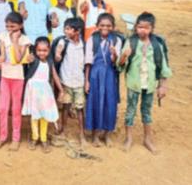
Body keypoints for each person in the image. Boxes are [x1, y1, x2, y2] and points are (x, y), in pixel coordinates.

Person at [118, 12, 172, 154]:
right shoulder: (130, 42)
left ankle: (147, 139)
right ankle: (128, 138)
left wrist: (163, 85)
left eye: (146, 28)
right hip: (133, 83)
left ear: (152, 28)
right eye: (140, 27)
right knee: (130, 111)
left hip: (149, 85)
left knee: (147, 112)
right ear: (135, 27)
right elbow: (120, 65)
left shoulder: (157, 45)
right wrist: (124, 55)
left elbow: (163, 67)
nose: (142, 30)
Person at [0, 12, 31, 151]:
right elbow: (2, 55)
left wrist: (15, 40)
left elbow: (20, 59)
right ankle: (2, 137)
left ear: (20, 25)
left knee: (15, 108)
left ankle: (16, 138)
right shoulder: (3, 36)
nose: (9, 28)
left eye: (13, 26)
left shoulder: (25, 39)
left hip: (18, 78)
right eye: (7, 26)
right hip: (5, 76)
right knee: (2, 108)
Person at [84, 13, 121, 147]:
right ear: (97, 26)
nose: (105, 28)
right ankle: (95, 135)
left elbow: (115, 63)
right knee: (95, 103)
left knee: (110, 104)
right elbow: (88, 61)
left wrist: (114, 54)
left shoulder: (116, 40)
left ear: (113, 27)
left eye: (108, 25)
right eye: (102, 25)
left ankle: (107, 134)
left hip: (110, 75)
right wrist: (86, 81)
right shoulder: (92, 39)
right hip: (95, 74)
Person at [22, 37, 63, 153]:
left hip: (45, 92)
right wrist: (28, 57)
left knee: (44, 115)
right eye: (39, 50)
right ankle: (35, 138)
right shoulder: (33, 59)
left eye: (44, 50)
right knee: (35, 116)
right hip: (33, 91)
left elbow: (55, 76)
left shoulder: (50, 62)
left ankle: (44, 138)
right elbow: (27, 59)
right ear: (35, 50)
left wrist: (61, 90)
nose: (41, 53)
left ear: (49, 50)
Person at [54, 17, 86, 147]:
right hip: (66, 81)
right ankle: (63, 130)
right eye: (65, 28)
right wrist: (58, 54)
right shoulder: (63, 41)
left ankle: (82, 134)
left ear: (77, 31)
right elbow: (58, 51)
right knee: (66, 107)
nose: (65, 31)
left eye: (68, 29)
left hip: (79, 82)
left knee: (80, 108)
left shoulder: (84, 44)